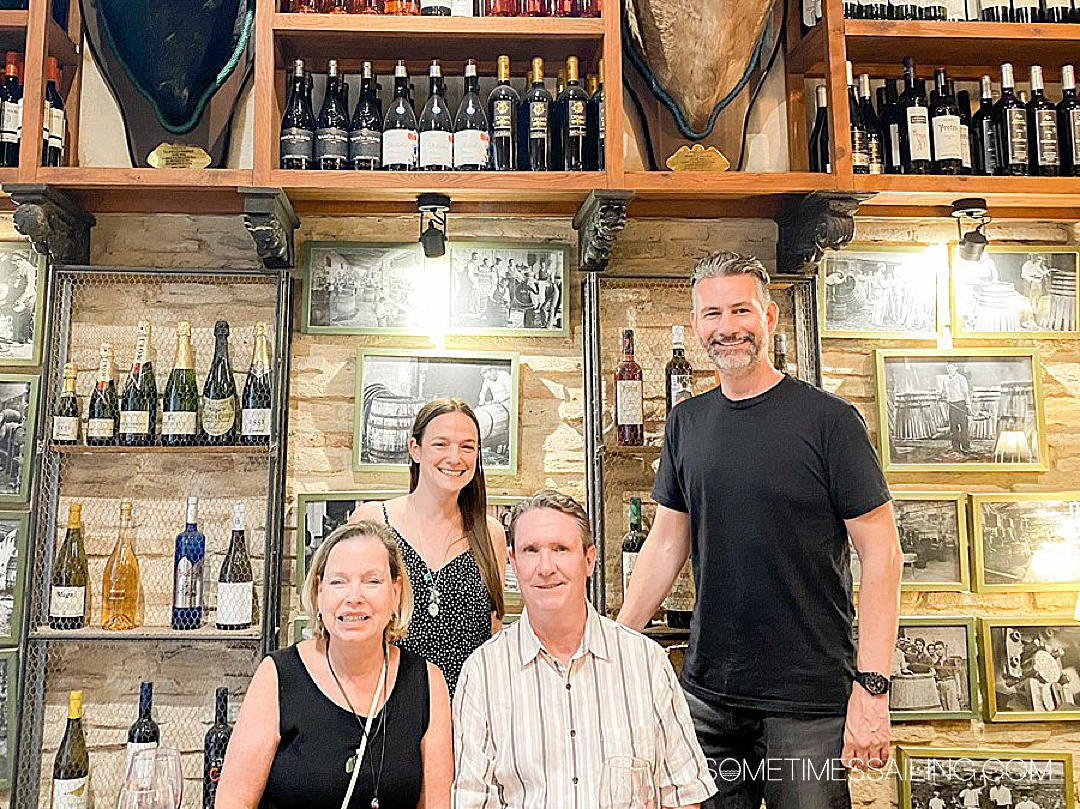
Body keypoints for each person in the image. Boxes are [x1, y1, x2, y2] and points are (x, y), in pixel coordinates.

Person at [618, 252, 903, 809]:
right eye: (712, 314)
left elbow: (883, 554)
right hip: (706, 696)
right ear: (696, 323)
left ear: (770, 316)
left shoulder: (830, 421)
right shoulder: (687, 423)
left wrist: (872, 689)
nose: (727, 328)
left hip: (808, 700)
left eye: (741, 310)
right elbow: (667, 541)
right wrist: (617, 641)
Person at [453, 490, 717, 809]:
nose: (545, 566)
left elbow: (682, 794)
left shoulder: (645, 663)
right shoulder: (483, 674)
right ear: (513, 562)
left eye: (561, 549)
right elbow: (471, 801)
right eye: (531, 550)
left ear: (589, 559)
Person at [215, 521, 452, 808]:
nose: (354, 597)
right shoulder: (278, 676)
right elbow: (233, 802)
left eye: (372, 581)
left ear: (396, 593)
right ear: (319, 592)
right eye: (339, 581)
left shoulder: (427, 682)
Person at [351, 398, 507, 696]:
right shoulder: (373, 520)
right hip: (387, 707)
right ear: (415, 449)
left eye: (467, 446)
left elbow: (493, 631)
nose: (455, 457)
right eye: (441, 444)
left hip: (465, 713)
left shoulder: (490, 534)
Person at [938, 362, 972, 455]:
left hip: (961, 404)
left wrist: (968, 405)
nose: (949, 370)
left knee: (963, 426)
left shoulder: (961, 378)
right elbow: (944, 391)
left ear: (956, 368)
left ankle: (965, 446)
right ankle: (955, 447)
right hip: (951, 405)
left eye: (951, 368)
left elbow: (965, 393)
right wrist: (941, 395)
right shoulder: (946, 380)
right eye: (948, 368)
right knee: (953, 428)